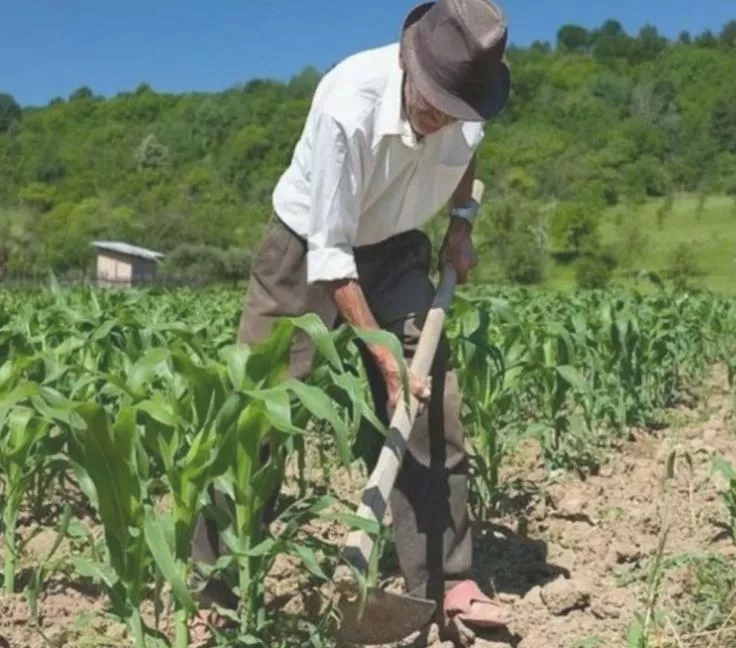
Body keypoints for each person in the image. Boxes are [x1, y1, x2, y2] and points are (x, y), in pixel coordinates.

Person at [187, 0, 513, 642]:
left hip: (397, 246)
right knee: (257, 411)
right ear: (405, 61)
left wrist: (461, 227)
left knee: (432, 404)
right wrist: (382, 356)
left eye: (456, 108)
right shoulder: (347, 102)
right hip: (307, 247)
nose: (441, 116)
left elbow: (467, 157)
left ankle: (445, 583)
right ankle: (211, 586)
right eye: (432, 100)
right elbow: (332, 257)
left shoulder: (469, 104)